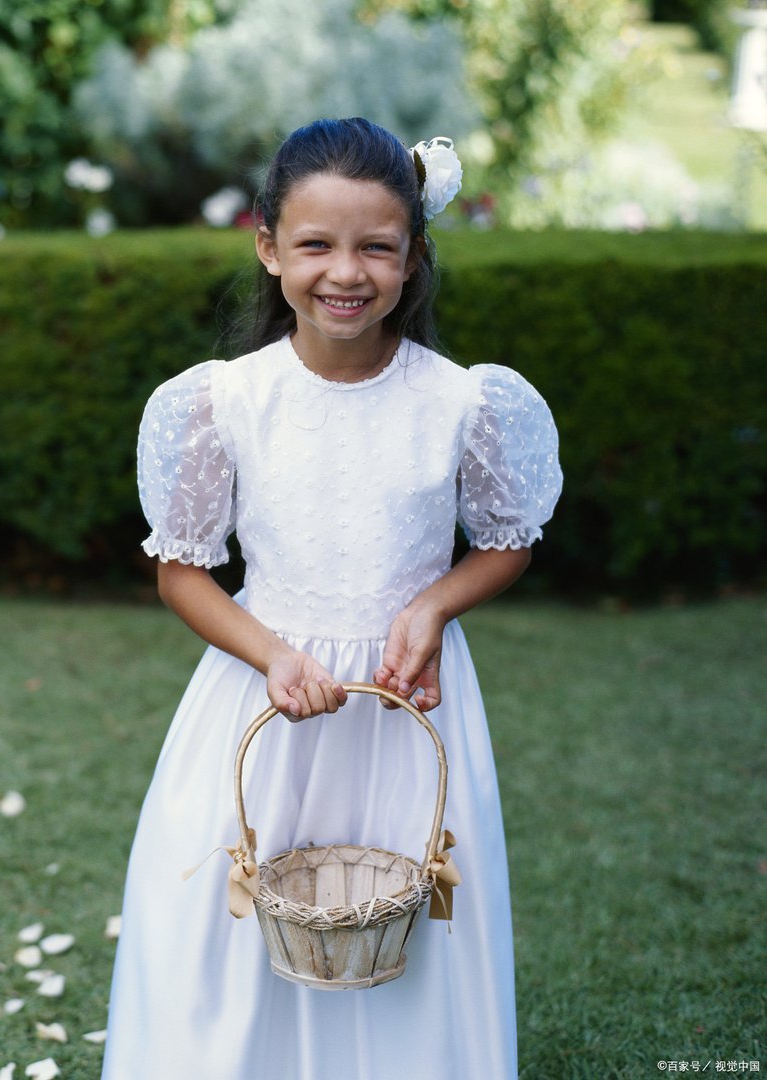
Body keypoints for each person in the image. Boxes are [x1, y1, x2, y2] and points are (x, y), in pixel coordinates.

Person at [101, 117, 563, 1079]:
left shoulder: (460, 404)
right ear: (269, 247)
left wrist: (436, 604)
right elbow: (182, 569)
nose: (344, 272)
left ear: (412, 258)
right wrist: (269, 652)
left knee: (404, 920)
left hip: (409, 706)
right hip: (264, 691)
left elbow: (507, 541)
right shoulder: (225, 402)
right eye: (315, 244)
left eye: (376, 248)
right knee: (231, 923)